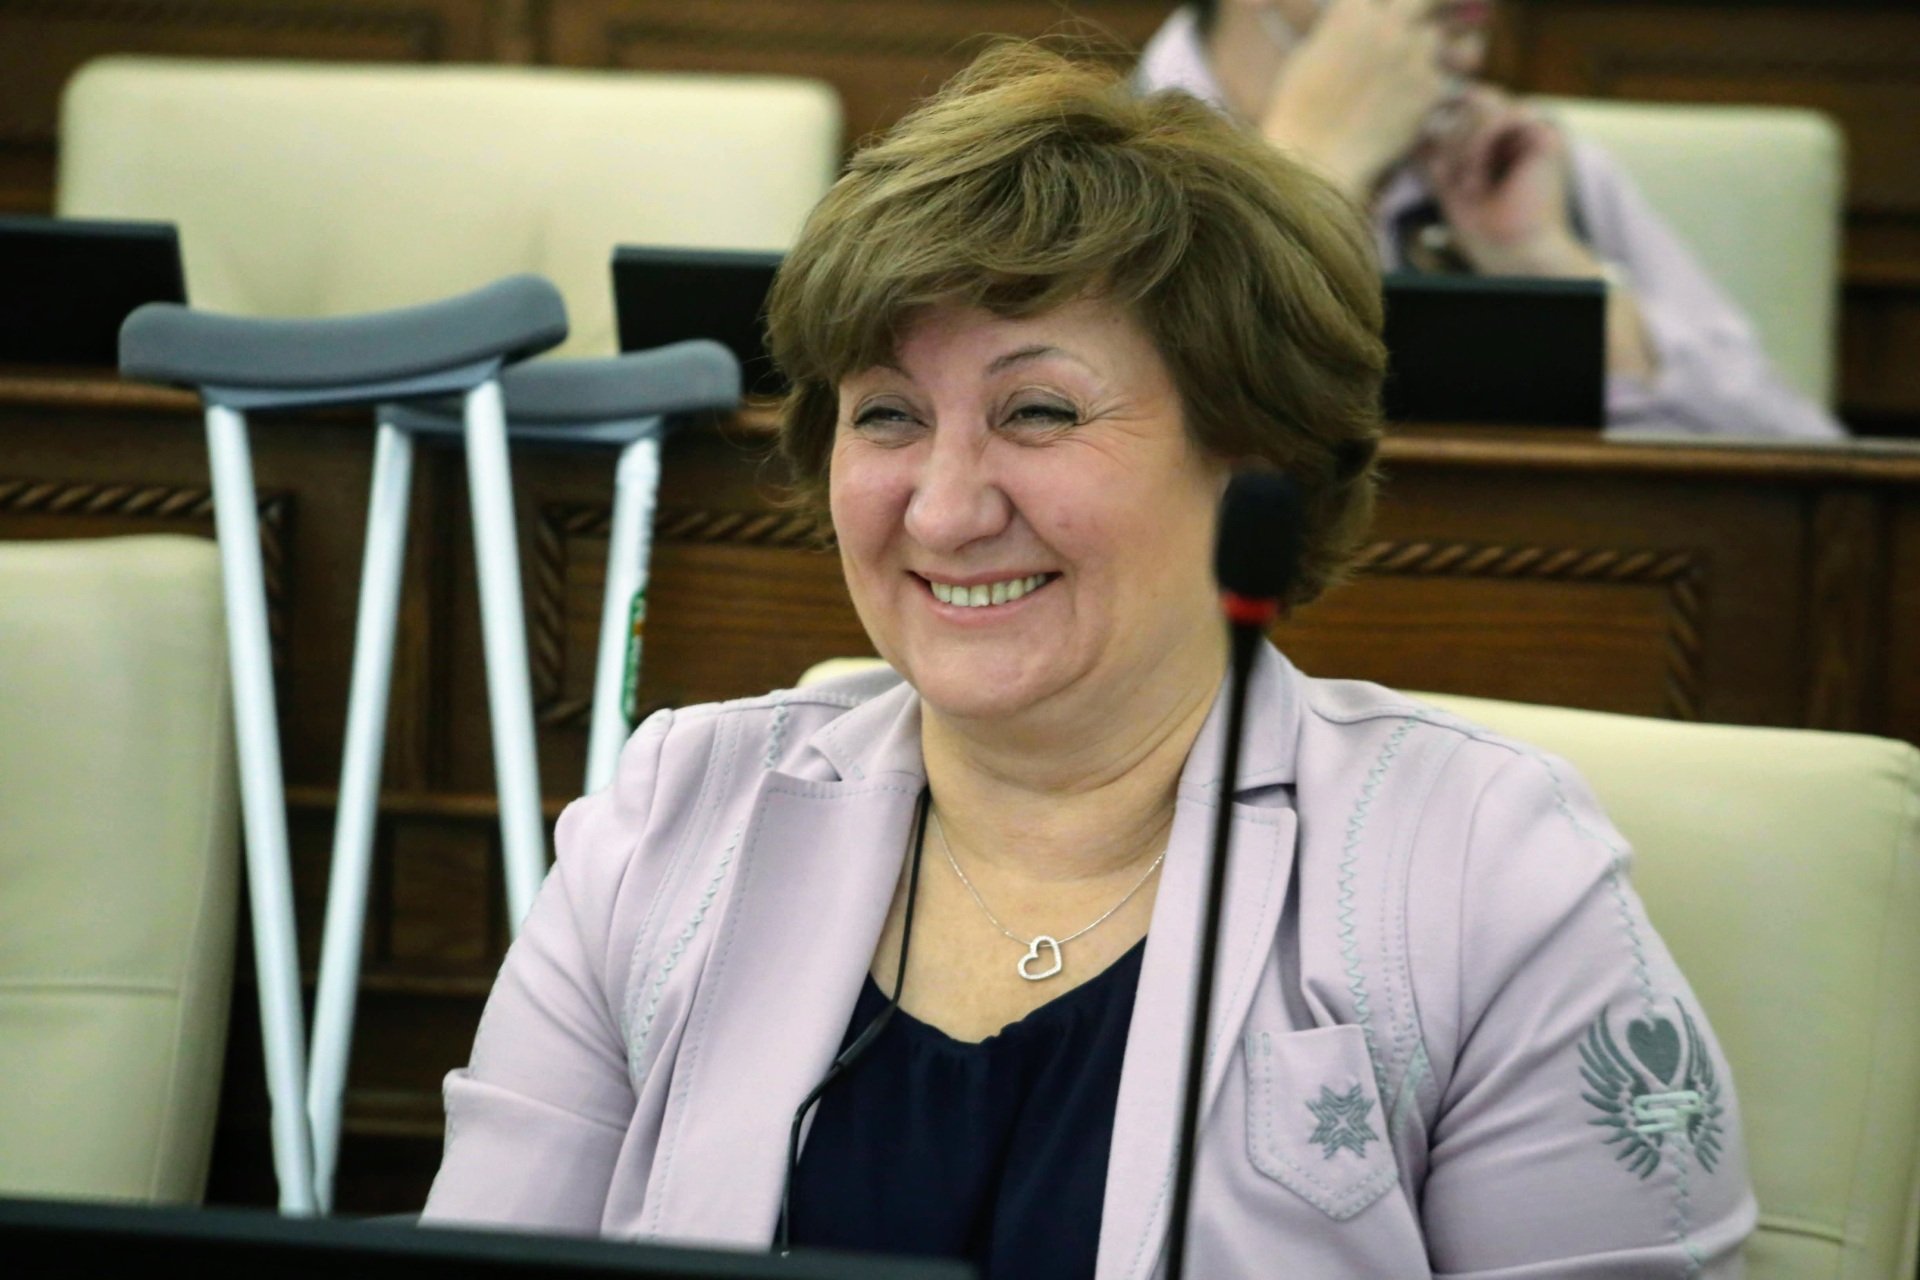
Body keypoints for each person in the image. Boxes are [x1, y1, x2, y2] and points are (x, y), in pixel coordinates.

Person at [422, 44, 1756, 1277]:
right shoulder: (669, 823)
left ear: (1258, 460)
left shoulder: (1486, 874)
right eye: (886, 415)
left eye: (1039, 410)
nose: (945, 509)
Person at [1140, 0, 1847, 441]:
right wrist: (1310, 177)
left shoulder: (1523, 165)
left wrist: (1545, 260)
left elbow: (1807, 469)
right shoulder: (1111, 161)